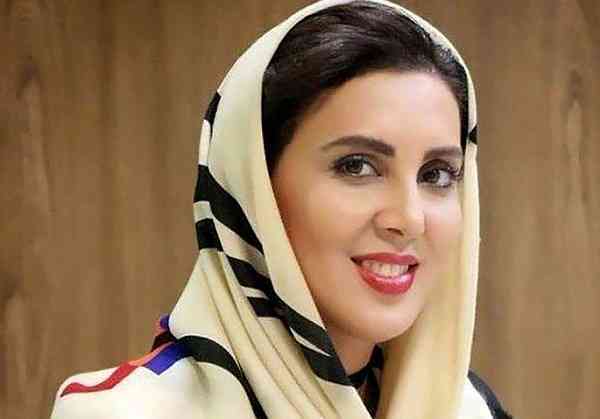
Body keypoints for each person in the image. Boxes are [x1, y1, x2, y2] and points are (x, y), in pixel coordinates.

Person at [50, 0, 513, 418]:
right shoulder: (129, 412)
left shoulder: (470, 410)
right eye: (356, 166)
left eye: (436, 174)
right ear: (255, 187)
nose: (409, 218)